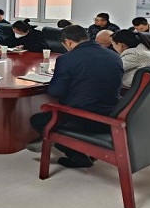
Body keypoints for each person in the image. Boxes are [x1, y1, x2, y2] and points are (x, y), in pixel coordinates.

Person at [28, 25, 123, 168]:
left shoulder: (67, 59)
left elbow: (55, 91)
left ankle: (77, 156)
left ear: (68, 42)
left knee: (38, 120)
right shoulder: (114, 56)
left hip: (85, 119)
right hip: (112, 116)